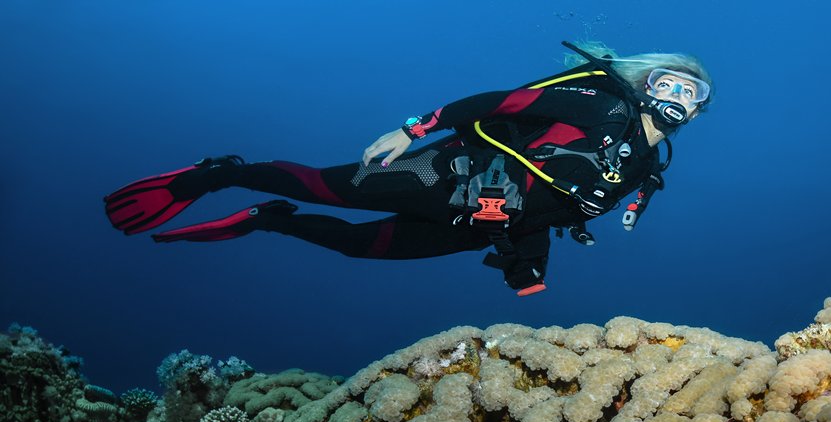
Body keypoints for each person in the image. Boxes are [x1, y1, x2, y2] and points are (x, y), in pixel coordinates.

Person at [103, 42, 713, 296]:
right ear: (645, 79)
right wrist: (414, 128)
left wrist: (528, 266)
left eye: (694, 97)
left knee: (359, 248)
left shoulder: (645, 164)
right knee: (322, 186)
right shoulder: (597, 101)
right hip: (444, 174)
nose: (678, 101)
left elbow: (557, 205)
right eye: (671, 84)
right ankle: (219, 173)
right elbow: (495, 105)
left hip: (480, 223)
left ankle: (268, 220)